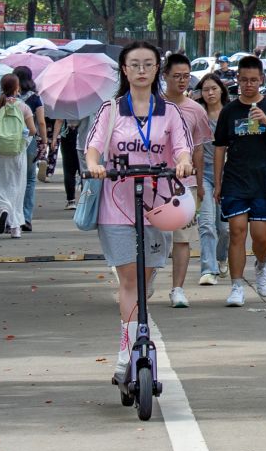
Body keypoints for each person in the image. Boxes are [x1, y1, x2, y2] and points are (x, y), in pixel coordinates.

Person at [82, 42, 195, 384]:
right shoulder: (111, 109)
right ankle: (125, 353)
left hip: (157, 206)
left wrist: (183, 163)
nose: (142, 70)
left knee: (144, 280)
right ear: (125, 70)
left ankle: (135, 339)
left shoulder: (169, 111)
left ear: (157, 69)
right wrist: (94, 165)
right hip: (117, 206)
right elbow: (93, 146)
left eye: (148, 64)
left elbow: (182, 148)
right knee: (130, 280)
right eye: (135, 64)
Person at [214, 55, 266, 307]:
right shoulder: (229, 111)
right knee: (236, 232)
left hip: (264, 181)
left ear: (261, 80)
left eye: (253, 80)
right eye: (244, 80)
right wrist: (217, 182)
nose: (248, 84)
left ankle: (262, 265)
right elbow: (219, 147)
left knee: (260, 236)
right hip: (235, 180)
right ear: (237, 79)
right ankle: (236, 286)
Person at [161, 53, 213, 306]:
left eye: (186, 76)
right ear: (165, 76)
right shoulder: (151, 105)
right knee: (154, 237)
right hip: (154, 183)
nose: (182, 81)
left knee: (182, 239)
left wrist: (200, 185)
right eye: (177, 76)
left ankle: (177, 289)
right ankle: (147, 279)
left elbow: (199, 150)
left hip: (185, 185)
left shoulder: (196, 110)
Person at [0, 73, 35, 238]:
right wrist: (23, 136)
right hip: (17, 151)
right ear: (17, 88)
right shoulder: (23, 107)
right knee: (17, 187)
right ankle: (16, 227)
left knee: (0, 185)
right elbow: (33, 130)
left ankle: (3, 208)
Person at [192, 75, 230, 284]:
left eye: (214, 88)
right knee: (206, 224)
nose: (210, 93)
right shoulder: (198, 114)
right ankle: (208, 270)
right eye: (206, 89)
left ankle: (221, 257)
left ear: (221, 90)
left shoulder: (230, 113)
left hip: (228, 174)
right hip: (203, 173)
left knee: (224, 228)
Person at [16, 67, 48, 234]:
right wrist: (44, 141)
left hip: (10, 142)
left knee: (14, 180)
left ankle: (13, 218)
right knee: (29, 180)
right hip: (29, 142)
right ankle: (26, 218)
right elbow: (41, 122)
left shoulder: (7, 98)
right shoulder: (35, 98)